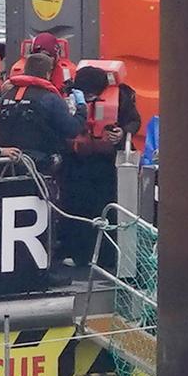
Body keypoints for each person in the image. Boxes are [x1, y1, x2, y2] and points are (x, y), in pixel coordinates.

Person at [61, 64, 141, 267]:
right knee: (77, 208)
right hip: (76, 163)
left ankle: (108, 256)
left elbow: (134, 121)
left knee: (106, 207)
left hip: (106, 164)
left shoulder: (121, 96)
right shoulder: (66, 94)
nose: (88, 98)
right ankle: (78, 254)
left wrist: (122, 133)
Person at [0, 53, 86, 171]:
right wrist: (81, 108)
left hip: (6, 164)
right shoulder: (50, 98)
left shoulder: (5, 97)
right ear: (48, 73)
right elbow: (72, 129)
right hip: (39, 166)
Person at [9, 32, 76, 90]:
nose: (42, 61)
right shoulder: (17, 74)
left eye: (48, 57)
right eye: (39, 56)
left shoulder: (67, 75)